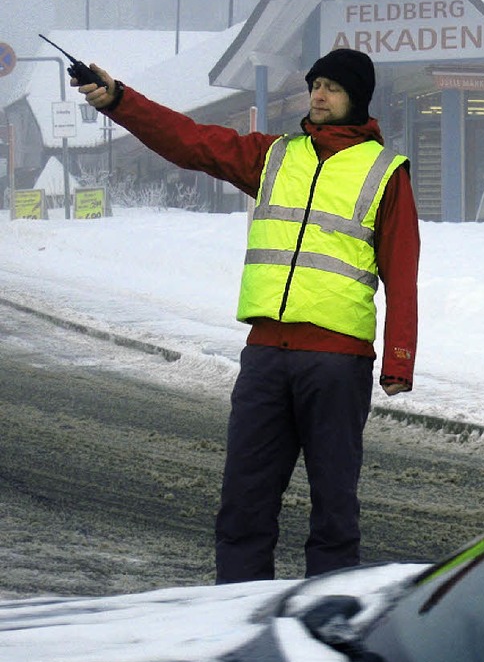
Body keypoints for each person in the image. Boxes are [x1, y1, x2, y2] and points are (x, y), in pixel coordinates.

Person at [73, 48, 420, 583]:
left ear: (357, 97)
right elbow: (189, 141)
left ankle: (325, 619)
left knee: (333, 510)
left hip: (336, 363)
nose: (318, 95)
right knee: (243, 504)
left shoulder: (385, 172)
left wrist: (398, 359)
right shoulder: (276, 155)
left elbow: (402, 271)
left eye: (331, 87)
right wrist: (120, 101)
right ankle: (235, 614)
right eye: (314, 85)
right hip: (264, 358)